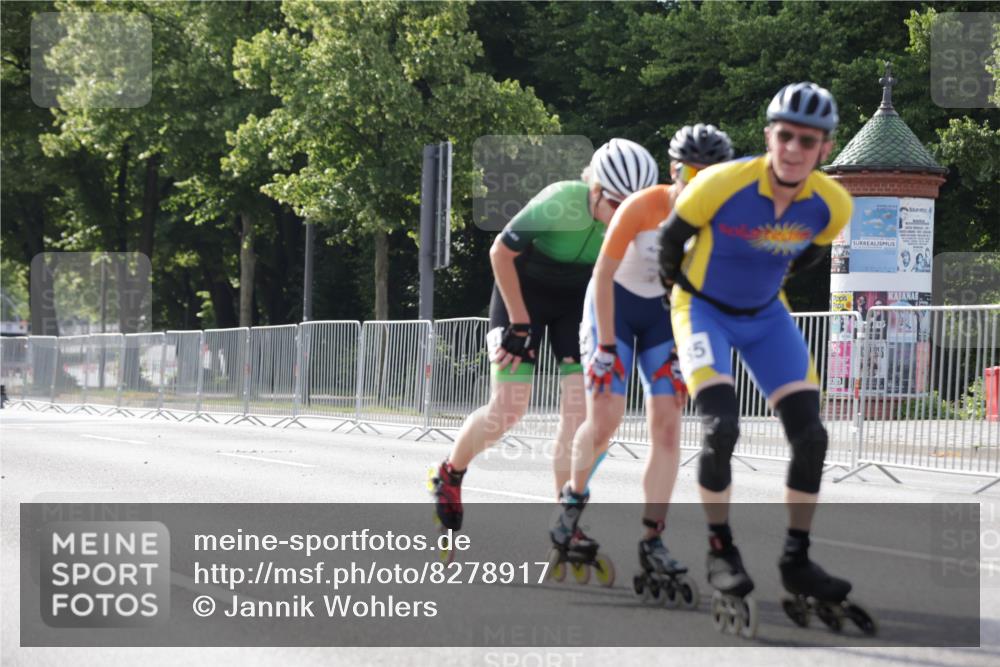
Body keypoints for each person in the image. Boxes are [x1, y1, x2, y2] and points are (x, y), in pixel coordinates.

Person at [658, 82, 873, 636]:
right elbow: (669, 240)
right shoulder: (721, 184)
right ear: (768, 136)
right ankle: (720, 549)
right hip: (702, 308)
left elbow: (811, 253)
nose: (794, 148)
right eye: (785, 135)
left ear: (824, 147)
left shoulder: (833, 203)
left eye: (808, 139)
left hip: (766, 315)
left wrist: (765, 279)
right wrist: (678, 297)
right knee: (720, 427)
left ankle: (795, 559)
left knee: (812, 437)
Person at [430, 139, 659, 532]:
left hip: (576, 302)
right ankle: (451, 473)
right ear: (596, 190)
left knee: (579, 413)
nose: (625, 215)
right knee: (509, 409)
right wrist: (519, 323)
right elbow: (500, 252)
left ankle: (564, 517)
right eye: (617, 205)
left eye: (632, 205)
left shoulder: (639, 217)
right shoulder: (561, 200)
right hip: (523, 293)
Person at [549, 125, 734, 597]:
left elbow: (706, 292)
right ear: (675, 171)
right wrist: (607, 347)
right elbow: (605, 274)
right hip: (613, 306)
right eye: (692, 172)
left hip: (661, 317)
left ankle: (653, 537)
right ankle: (573, 500)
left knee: (669, 424)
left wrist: (695, 353)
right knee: (606, 418)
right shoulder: (643, 205)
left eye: (712, 174)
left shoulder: (716, 218)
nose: (700, 181)